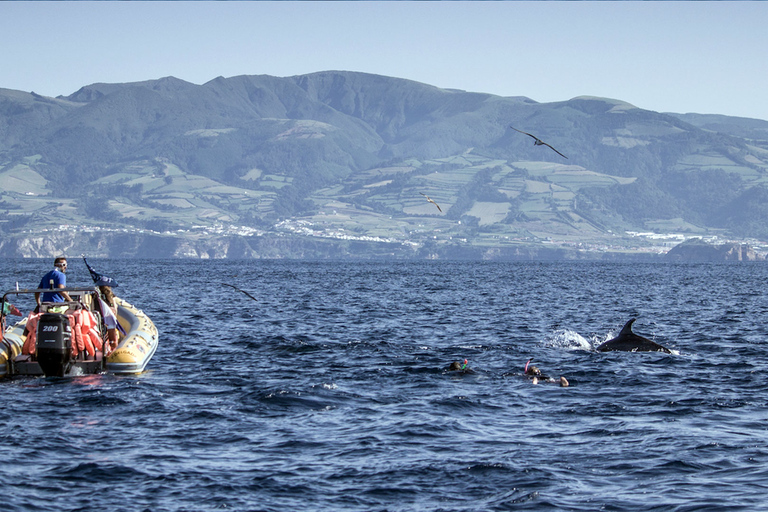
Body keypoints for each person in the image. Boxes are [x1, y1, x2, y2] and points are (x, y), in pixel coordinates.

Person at [98, 285, 120, 351]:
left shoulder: (100, 301)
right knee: (113, 339)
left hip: (105, 325)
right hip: (111, 325)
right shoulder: (112, 302)